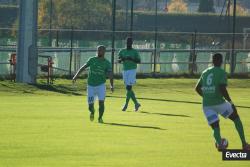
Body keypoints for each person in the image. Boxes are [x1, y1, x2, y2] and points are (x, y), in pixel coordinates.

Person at [195, 53, 250, 151]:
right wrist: (230, 102)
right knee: (236, 118)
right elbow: (222, 88)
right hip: (220, 104)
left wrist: (207, 96)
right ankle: (244, 144)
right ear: (221, 61)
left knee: (215, 126)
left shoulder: (205, 72)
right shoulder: (222, 72)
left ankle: (220, 145)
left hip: (207, 106)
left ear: (212, 61)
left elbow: (197, 88)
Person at [73, 45, 113, 123]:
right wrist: (75, 76)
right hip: (91, 85)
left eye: (100, 50)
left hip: (101, 85)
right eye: (98, 50)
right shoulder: (92, 60)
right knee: (90, 105)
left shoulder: (107, 63)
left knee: (101, 102)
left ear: (104, 52)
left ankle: (100, 118)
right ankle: (92, 111)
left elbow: (110, 74)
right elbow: (83, 67)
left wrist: (111, 85)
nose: (98, 52)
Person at [118, 37, 141, 112]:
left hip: (132, 70)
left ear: (132, 43)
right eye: (127, 41)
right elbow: (119, 60)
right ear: (125, 42)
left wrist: (131, 59)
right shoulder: (122, 51)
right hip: (125, 70)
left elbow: (139, 61)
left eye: (130, 42)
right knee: (128, 88)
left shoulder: (135, 52)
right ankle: (136, 103)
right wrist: (122, 59)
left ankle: (126, 105)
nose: (129, 43)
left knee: (128, 87)